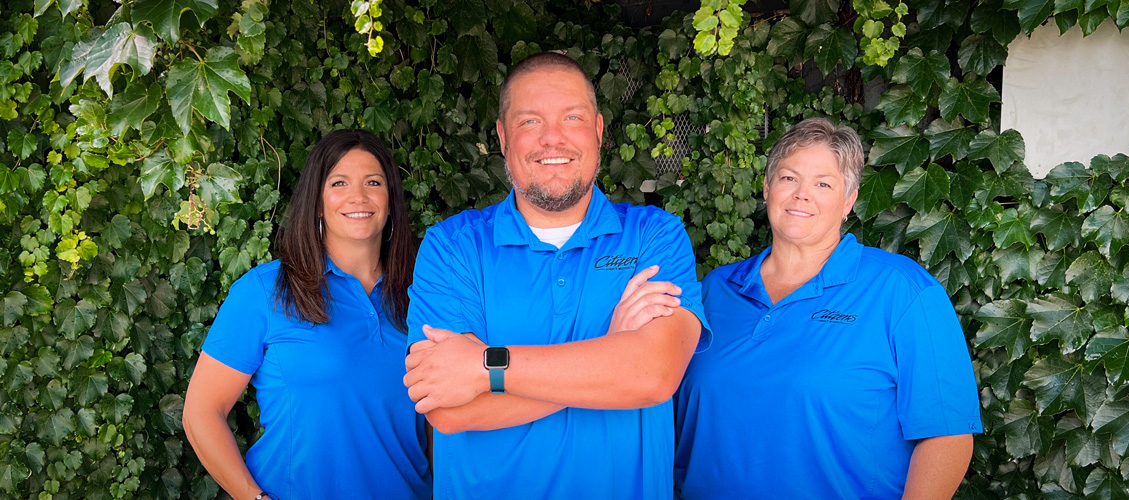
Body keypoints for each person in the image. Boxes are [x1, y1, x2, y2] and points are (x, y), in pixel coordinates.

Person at [401, 52, 709, 499]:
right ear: (504, 137)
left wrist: (485, 367)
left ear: (599, 131)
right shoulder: (454, 246)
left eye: (572, 117)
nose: (553, 139)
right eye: (530, 122)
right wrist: (612, 353)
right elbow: (447, 410)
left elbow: (653, 376)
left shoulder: (653, 236)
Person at [673, 118, 983, 499]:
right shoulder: (714, 291)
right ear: (767, 188)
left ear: (848, 201)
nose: (803, 194)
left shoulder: (902, 290)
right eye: (789, 178)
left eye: (823, 183)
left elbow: (947, 436)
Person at [183, 130, 432, 500]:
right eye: (339, 182)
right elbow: (202, 411)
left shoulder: (424, 297)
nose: (358, 196)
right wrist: (252, 497)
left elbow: (435, 423)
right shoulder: (266, 291)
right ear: (317, 202)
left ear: (391, 200)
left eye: (374, 182)